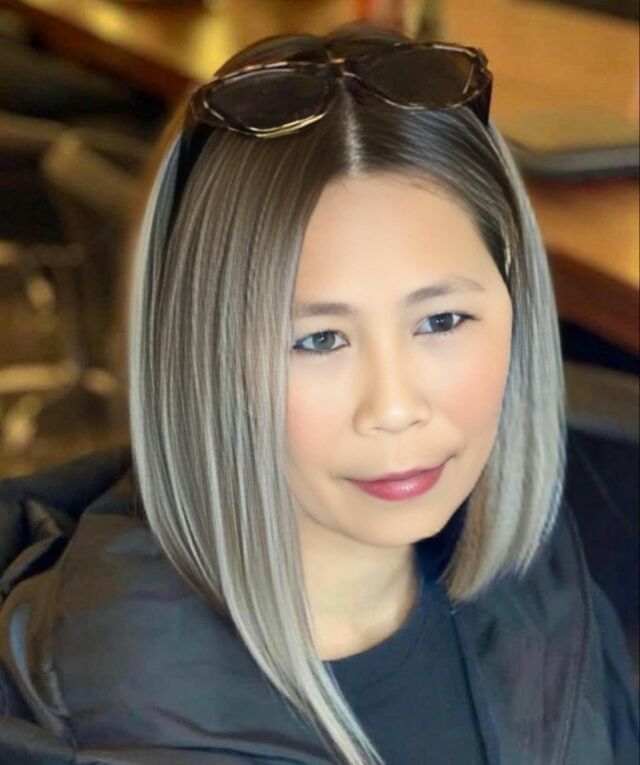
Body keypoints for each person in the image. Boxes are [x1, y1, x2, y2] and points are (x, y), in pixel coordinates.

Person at [0, 21, 638, 765]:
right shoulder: (110, 724)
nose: (394, 407)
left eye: (441, 320)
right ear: (204, 359)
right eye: (318, 340)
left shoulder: (541, 586)